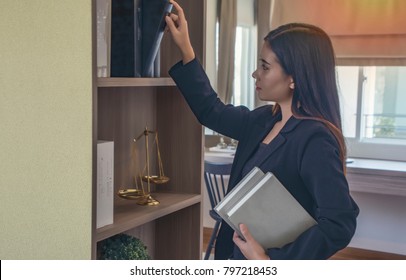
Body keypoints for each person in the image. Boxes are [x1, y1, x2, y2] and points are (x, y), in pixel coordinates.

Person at [165, 0, 359, 260]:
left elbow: (339, 223)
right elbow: (211, 111)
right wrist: (186, 50)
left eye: (265, 67)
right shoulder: (262, 120)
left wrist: (270, 262)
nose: (255, 74)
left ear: (294, 78)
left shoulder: (315, 138)